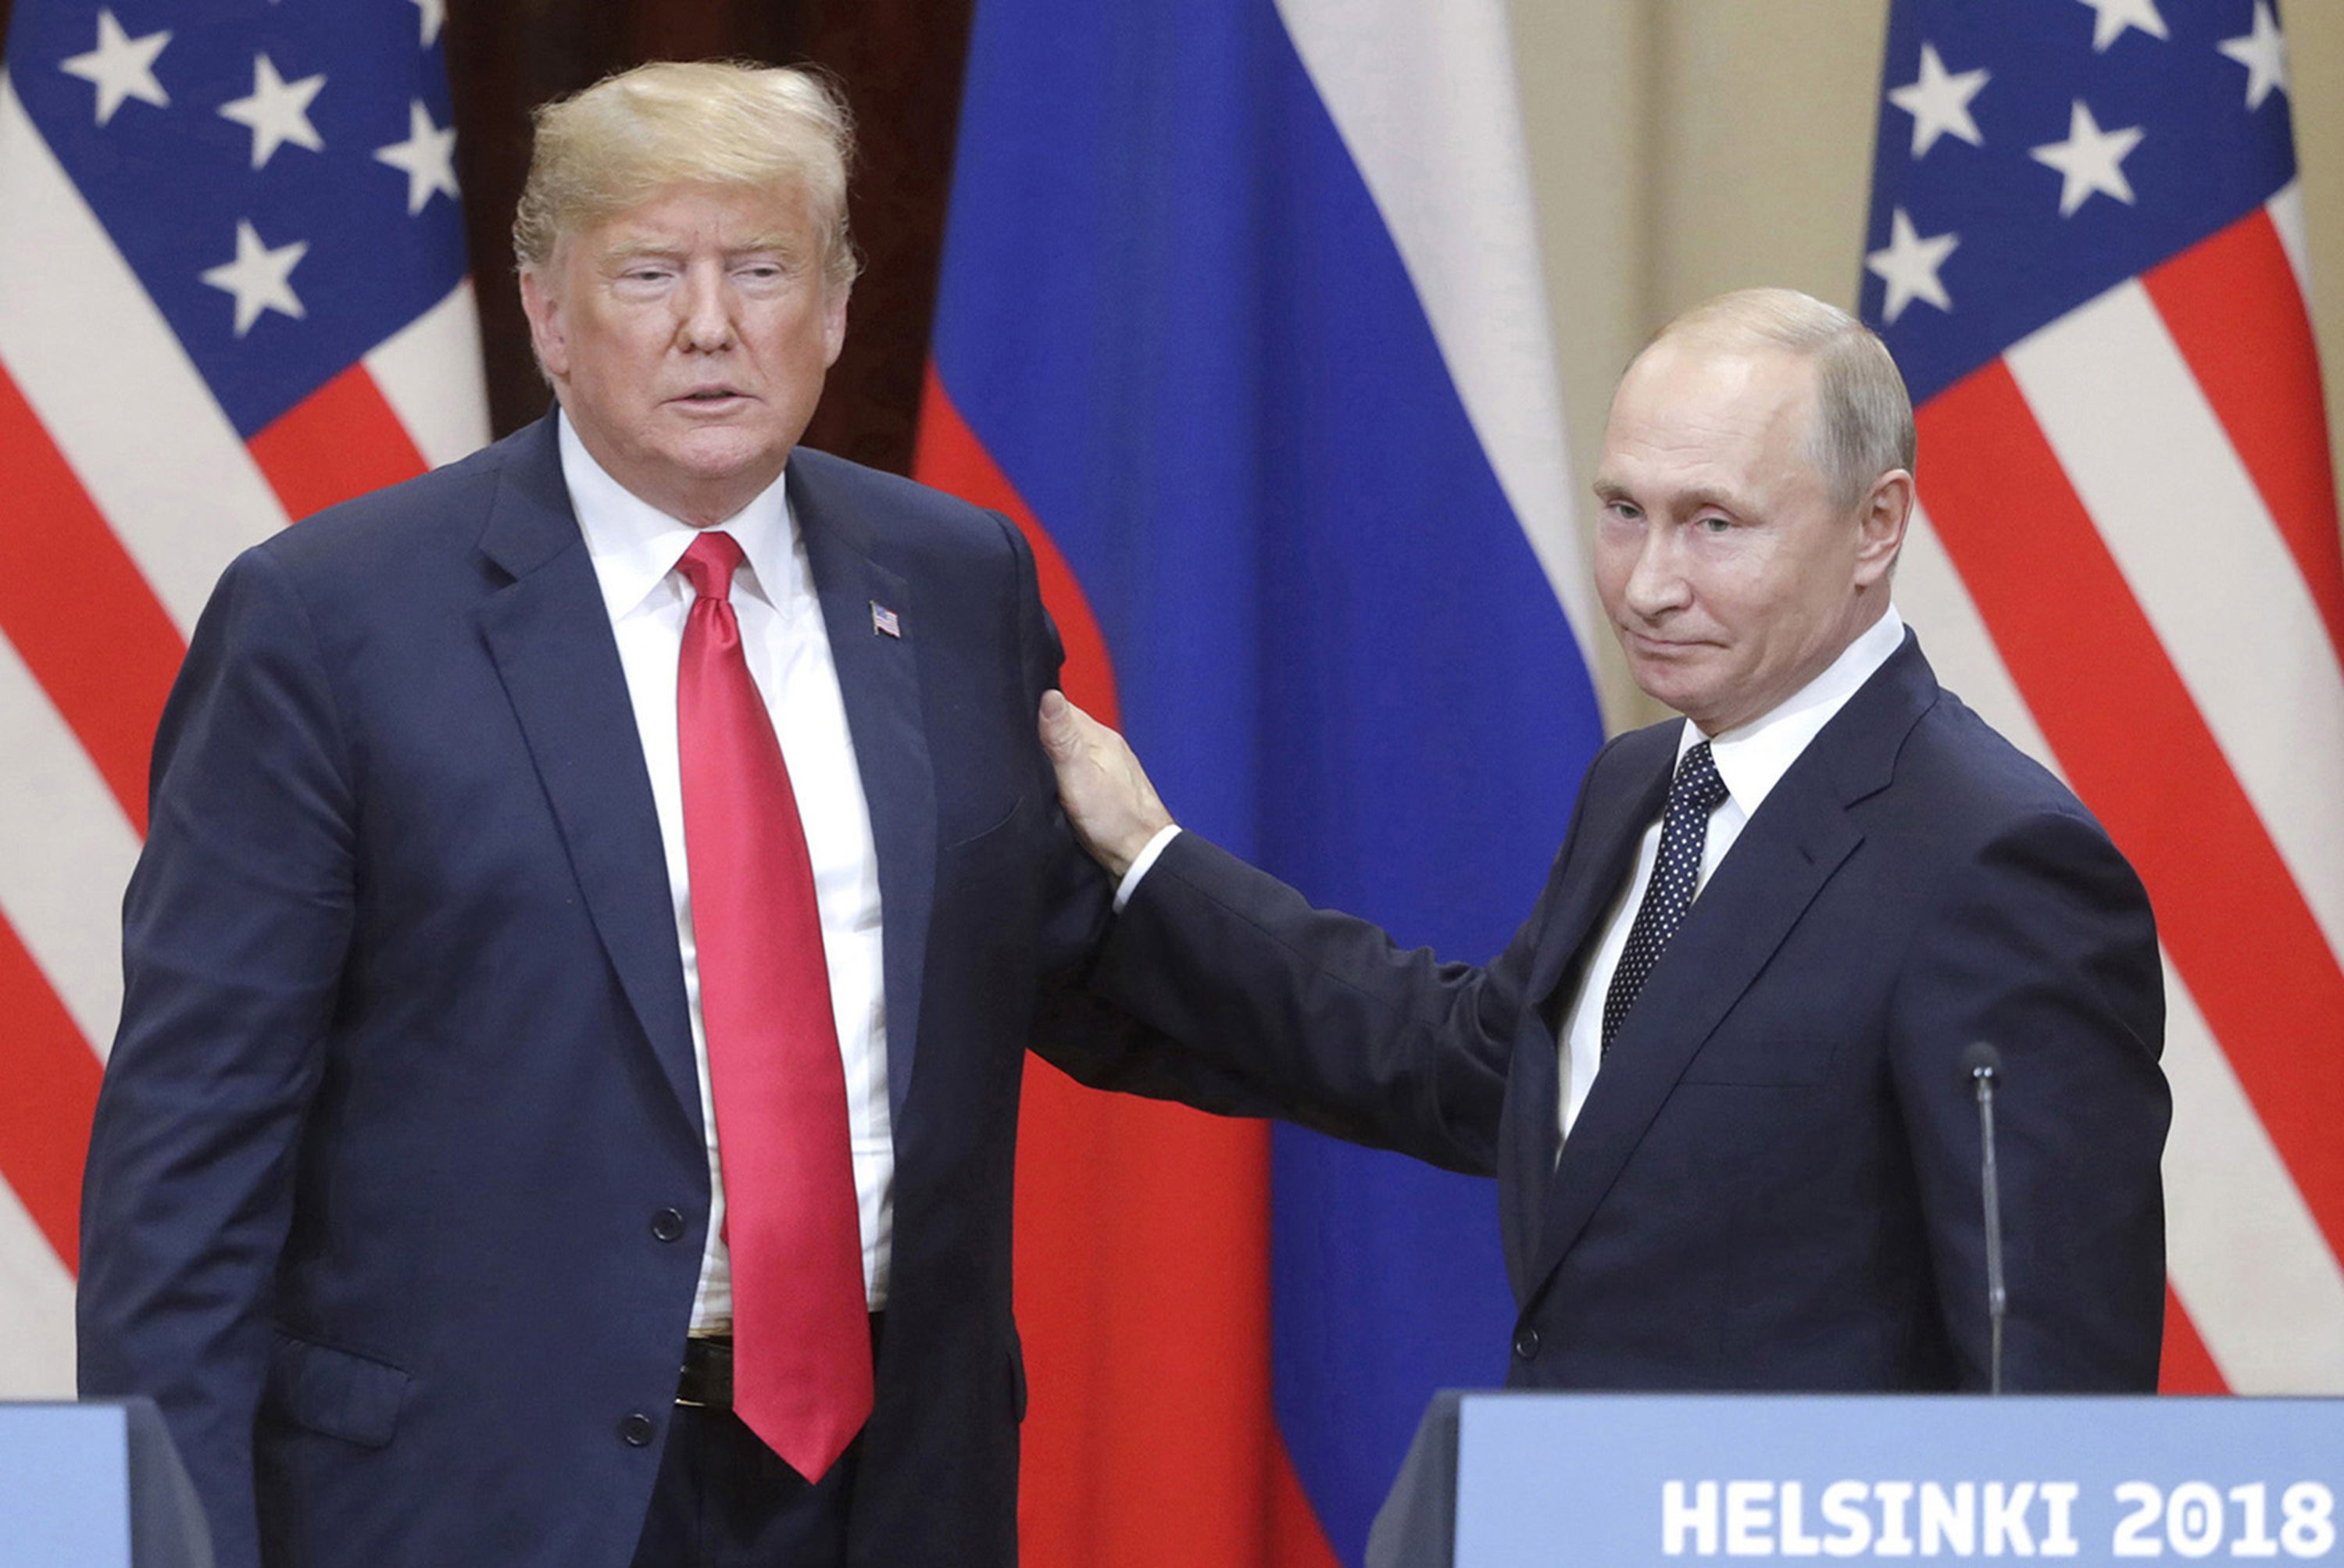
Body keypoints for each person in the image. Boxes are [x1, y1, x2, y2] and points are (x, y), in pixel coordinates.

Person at [80, 61, 1122, 1568]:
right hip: (474, 1501)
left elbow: (1091, 950)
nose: (712, 324)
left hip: (889, 1489)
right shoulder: (327, 624)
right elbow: (188, 1174)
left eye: (761, 270)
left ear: (831, 311)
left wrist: (1502, 1050)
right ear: (549, 317)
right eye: (650, 274)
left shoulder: (955, 580)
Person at [1040, 287, 2171, 1392]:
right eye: (1625, 511)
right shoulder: (1644, 783)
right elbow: (1473, 1068)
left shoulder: (1998, 864)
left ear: (1877, 525)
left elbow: (2053, 1394)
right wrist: (1146, 861)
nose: (1648, 584)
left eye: (1713, 524)